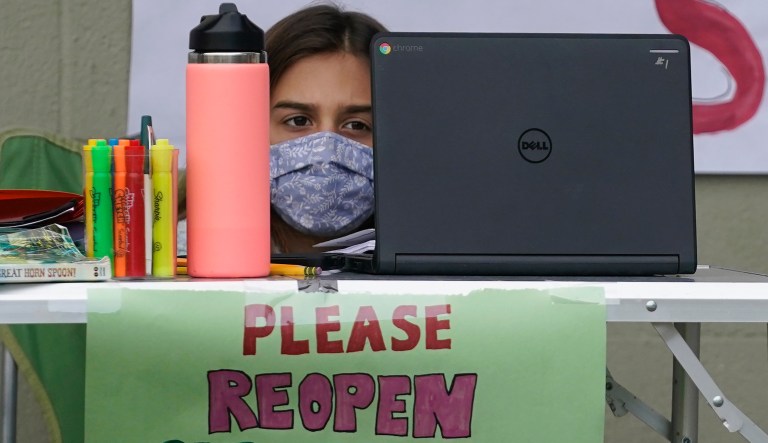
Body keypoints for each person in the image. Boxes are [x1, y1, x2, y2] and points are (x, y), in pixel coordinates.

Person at [266, 4, 388, 253]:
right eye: (298, 121)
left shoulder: (445, 259)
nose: (325, 152)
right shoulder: (183, 259)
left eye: (357, 125)